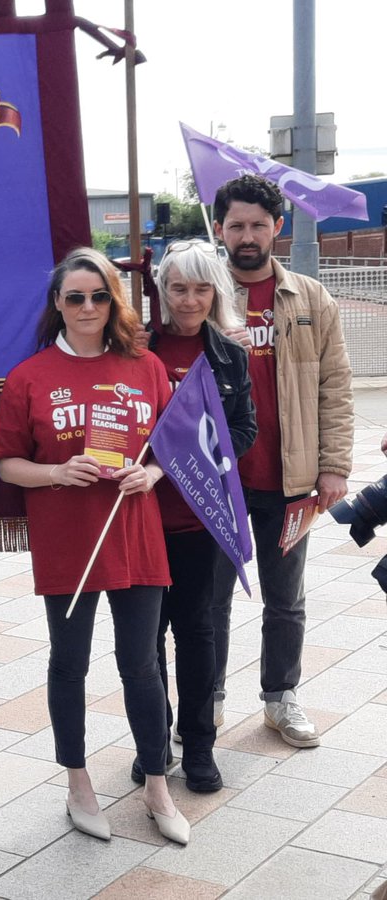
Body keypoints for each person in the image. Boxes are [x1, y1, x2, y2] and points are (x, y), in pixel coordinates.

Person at [0, 248, 189, 845]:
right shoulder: (30, 376)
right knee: (69, 663)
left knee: (143, 664)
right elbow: (5, 465)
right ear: (57, 303)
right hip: (68, 541)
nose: (87, 307)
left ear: (113, 302)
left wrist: (151, 475)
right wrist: (55, 473)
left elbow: (168, 446)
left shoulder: (146, 366)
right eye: (75, 297)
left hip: (135, 536)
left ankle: (156, 784)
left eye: (99, 296)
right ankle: (77, 782)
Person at [211, 174, 354, 748]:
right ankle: (207, 701)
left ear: (278, 228)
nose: (247, 235)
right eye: (236, 225)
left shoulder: (310, 298)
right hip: (216, 481)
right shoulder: (202, 294)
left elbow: (335, 386)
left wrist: (334, 465)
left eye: (258, 224)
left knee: (286, 599)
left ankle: (280, 698)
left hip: (291, 481)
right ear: (219, 228)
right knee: (208, 599)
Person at [132, 240, 256, 794]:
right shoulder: (137, 353)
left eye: (201, 288)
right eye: (178, 287)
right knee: (145, 637)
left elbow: (246, 430)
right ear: (162, 290)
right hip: (141, 519)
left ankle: (199, 744)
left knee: (198, 632)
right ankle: (153, 744)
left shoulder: (229, 356)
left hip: (201, 520)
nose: (188, 299)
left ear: (216, 292)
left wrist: (203, 453)